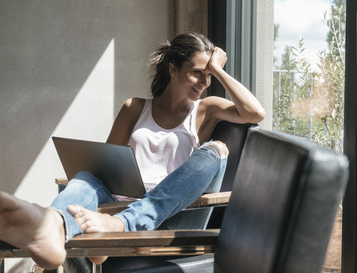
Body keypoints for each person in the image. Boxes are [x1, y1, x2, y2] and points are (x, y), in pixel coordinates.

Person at [0, 32, 265, 270]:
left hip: (173, 212)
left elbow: (255, 112)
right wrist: (99, 192)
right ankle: (50, 225)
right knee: (87, 178)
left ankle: (116, 227)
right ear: (173, 69)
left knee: (216, 151)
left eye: (209, 75)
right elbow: (104, 167)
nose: (204, 82)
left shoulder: (207, 109)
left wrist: (217, 68)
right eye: (198, 72)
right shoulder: (135, 108)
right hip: (120, 203)